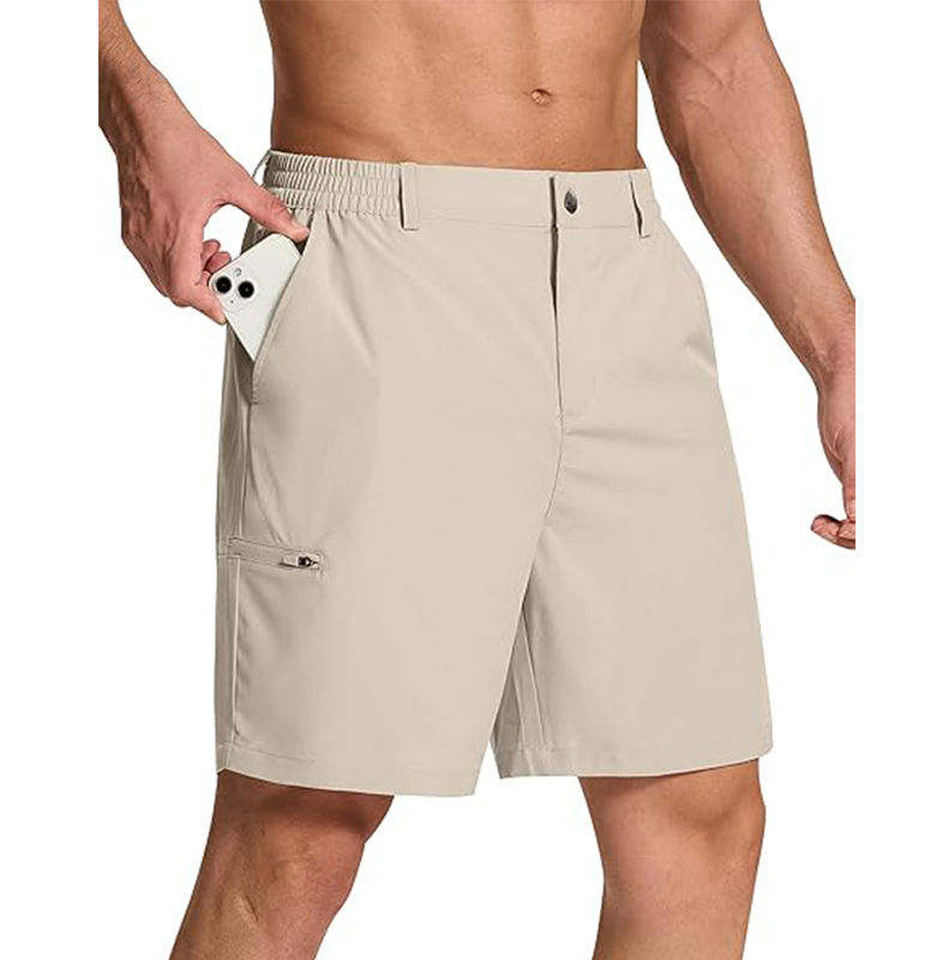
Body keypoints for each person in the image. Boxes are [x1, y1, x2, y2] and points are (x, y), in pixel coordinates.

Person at [98, 1, 855, 957]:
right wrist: (135, 106)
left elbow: (713, 48)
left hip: (622, 267)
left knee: (697, 815)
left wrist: (841, 347)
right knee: (300, 825)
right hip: (372, 247)